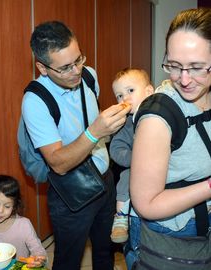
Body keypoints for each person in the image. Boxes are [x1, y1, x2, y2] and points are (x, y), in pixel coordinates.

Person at [22, 21, 130, 270]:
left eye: (78, 59)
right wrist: (94, 133)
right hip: (70, 194)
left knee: (106, 252)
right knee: (68, 260)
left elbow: (93, 116)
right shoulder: (34, 101)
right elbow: (58, 163)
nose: (76, 71)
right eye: (65, 68)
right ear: (43, 67)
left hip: (106, 180)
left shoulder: (89, 74)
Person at [126, 7, 211, 270]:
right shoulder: (158, 117)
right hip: (175, 238)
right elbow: (146, 204)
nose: (184, 80)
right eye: (174, 66)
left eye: (196, 68)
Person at [109, 68, 154, 243]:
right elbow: (116, 148)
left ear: (149, 91)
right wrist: (136, 158)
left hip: (164, 166)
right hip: (137, 168)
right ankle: (120, 217)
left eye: (130, 91)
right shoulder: (125, 123)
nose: (125, 98)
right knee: (125, 177)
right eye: (119, 95)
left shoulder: (161, 112)